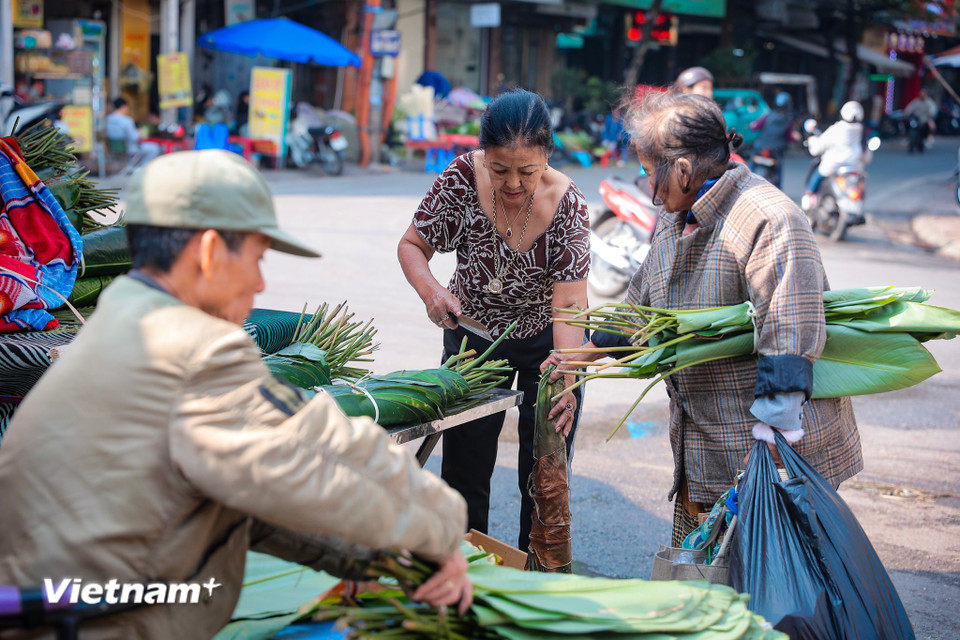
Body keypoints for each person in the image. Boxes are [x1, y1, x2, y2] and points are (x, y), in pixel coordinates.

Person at [0, 150, 472, 637]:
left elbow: (243, 505)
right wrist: (441, 529)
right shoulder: (187, 349)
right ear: (208, 252)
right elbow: (315, 453)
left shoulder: (112, 332)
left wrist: (377, 560)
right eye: (256, 258)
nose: (261, 282)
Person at [543, 89, 862, 547]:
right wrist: (581, 357)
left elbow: (790, 330)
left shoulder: (769, 218)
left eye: (650, 173)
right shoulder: (677, 214)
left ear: (684, 169)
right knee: (703, 588)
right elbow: (642, 305)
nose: (648, 188)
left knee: (771, 596)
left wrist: (772, 437)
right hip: (705, 450)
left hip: (767, 452)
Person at [397, 89, 590, 551]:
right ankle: (461, 567)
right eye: (500, 168)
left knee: (544, 466)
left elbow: (569, 306)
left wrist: (567, 369)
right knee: (464, 463)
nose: (513, 183)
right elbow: (412, 246)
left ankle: (532, 571)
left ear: (547, 155)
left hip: (548, 342)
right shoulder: (461, 178)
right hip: (474, 335)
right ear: (483, 153)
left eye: (527, 170)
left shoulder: (569, 206)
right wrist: (432, 291)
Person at [802, 100, 865, 210]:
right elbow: (866, 152)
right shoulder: (861, 131)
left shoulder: (838, 129)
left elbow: (819, 146)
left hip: (834, 165)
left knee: (816, 176)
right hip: (854, 166)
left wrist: (812, 141)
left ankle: (808, 198)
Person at [748, 91, 797, 188]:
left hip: (761, 147)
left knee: (750, 166)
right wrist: (796, 137)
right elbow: (789, 137)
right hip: (776, 151)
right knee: (778, 171)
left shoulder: (767, 117)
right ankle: (779, 190)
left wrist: (752, 124)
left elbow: (754, 127)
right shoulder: (788, 121)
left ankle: (745, 182)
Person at [105, 97, 161, 172]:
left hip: (114, 147)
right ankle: (141, 169)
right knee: (155, 148)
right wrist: (139, 132)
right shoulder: (127, 121)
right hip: (129, 148)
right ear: (123, 107)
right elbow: (134, 138)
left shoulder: (108, 119)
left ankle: (135, 167)